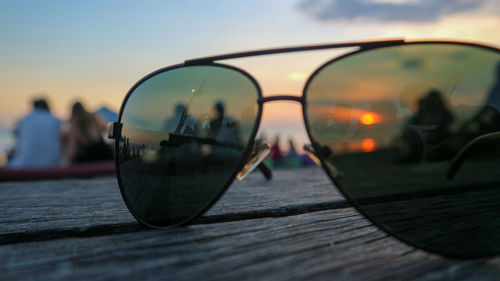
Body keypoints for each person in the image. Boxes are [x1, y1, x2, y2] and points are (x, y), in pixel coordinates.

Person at [8, 98, 61, 168]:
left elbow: (16, 136)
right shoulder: (55, 120)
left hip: (24, 164)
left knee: (11, 155)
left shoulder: (25, 119)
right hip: (50, 163)